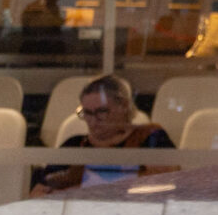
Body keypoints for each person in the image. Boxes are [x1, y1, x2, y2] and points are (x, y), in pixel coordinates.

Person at [33, 73, 173, 195]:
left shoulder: (151, 138)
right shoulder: (75, 145)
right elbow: (38, 193)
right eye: (87, 113)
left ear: (124, 106)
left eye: (101, 112)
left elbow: (168, 186)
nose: (93, 120)